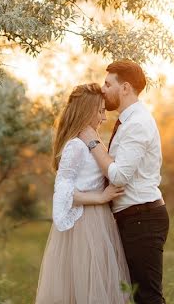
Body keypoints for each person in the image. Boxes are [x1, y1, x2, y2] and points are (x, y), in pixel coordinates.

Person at [80, 59, 169, 304]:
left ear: (126, 87)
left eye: (108, 84)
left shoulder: (138, 123)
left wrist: (91, 140)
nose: (103, 89)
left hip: (143, 219)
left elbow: (119, 176)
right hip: (133, 218)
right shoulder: (128, 121)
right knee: (136, 296)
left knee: (148, 298)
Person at [35, 83, 132, 304]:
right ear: (86, 111)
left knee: (99, 286)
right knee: (85, 286)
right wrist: (101, 197)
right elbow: (62, 194)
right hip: (84, 224)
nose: (104, 118)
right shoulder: (76, 147)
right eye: (100, 111)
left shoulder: (89, 143)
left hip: (100, 221)